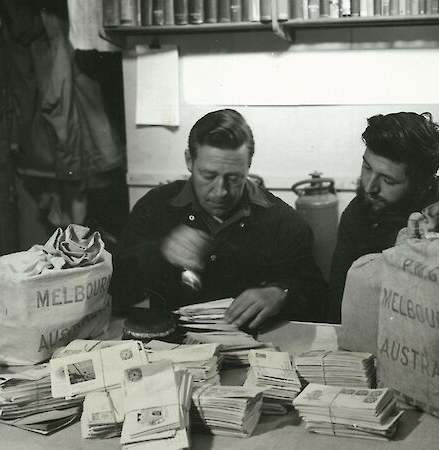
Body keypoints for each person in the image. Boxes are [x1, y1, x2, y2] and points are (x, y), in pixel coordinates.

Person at [111, 109, 327, 328]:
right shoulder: (155, 207)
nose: (220, 192)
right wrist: (159, 251)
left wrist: (281, 292)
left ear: (248, 165)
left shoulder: (284, 222)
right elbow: (117, 294)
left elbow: (317, 300)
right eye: (209, 176)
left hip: (253, 347)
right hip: (173, 348)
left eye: (233, 178)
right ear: (189, 160)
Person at [327, 112, 439, 323]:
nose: (370, 186)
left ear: (422, 184)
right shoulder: (358, 211)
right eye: (367, 168)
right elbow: (337, 300)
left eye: (388, 180)